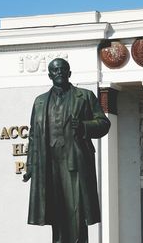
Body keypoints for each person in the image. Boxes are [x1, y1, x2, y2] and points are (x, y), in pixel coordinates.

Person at [23, 58, 110, 243]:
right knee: (56, 211)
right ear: (49, 75)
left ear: (69, 73)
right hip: (49, 163)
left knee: (76, 210)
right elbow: (33, 135)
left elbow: (103, 123)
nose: (59, 72)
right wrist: (31, 164)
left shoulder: (84, 96)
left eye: (63, 69)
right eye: (55, 70)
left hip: (75, 162)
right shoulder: (40, 102)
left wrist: (85, 127)